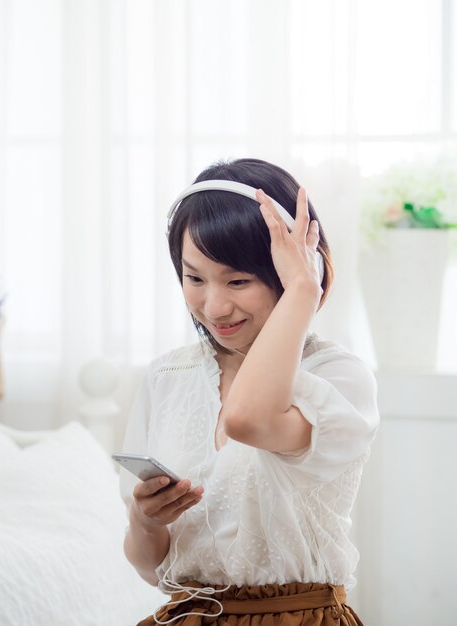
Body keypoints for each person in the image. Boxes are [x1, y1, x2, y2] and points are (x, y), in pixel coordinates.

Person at [119, 158, 379, 626]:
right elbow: (149, 567)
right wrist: (147, 520)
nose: (214, 306)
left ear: (290, 270)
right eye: (194, 277)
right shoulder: (167, 376)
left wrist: (304, 289)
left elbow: (248, 420)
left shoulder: (336, 378)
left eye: (238, 280)